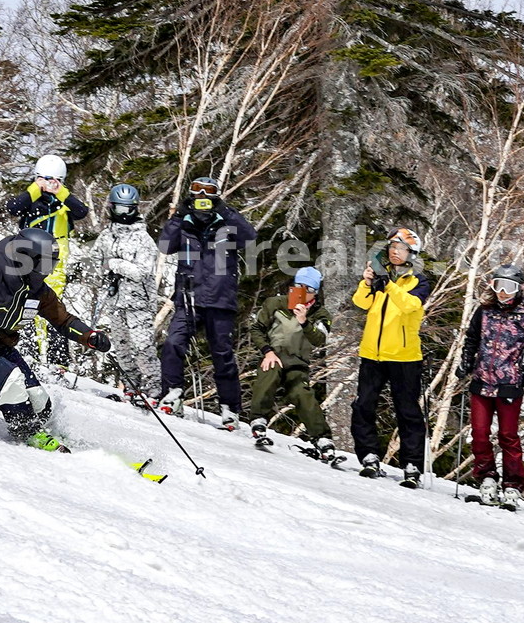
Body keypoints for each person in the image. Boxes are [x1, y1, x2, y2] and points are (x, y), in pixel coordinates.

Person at [0, 228, 112, 452]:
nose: (47, 271)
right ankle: (26, 434)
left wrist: (90, 337)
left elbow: (64, 321)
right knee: (12, 384)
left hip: (0, 348)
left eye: (51, 264)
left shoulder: (38, 291)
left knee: (39, 400)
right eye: (43, 265)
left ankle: (43, 429)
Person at [157, 177, 257, 428]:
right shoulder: (185, 222)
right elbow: (165, 246)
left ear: (217, 196)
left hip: (220, 298)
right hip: (188, 296)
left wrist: (225, 210)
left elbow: (249, 238)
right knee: (172, 343)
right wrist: (178, 215)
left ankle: (230, 407)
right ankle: (173, 392)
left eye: (209, 192)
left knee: (222, 353)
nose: (203, 196)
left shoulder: (226, 222)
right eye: (197, 192)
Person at [456, 264, 524, 507]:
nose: (502, 292)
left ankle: (513, 484)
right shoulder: (484, 312)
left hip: (509, 385)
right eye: (498, 285)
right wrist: (466, 364)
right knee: (479, 433)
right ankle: (486, 477)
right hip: (481, 382)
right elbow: (471, 338)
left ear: (519, 289)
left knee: (508, 435)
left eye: (509, 287)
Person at [351, 228, 434, 486]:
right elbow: (361, 303)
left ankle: (412, 465)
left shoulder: (419, 280)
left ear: (412, 254)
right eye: (391, 248)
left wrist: (388, 284)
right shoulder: (380, 277)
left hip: (404, 357)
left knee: (407, 412)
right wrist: (367, 282)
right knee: (363, 406)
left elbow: (411, 305)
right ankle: (369, 456)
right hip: (372, 354)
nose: (394, 252)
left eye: (401, 249)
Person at [80, 183, 161, 400]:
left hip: (139, 303)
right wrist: (99, 270)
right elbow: (95, 261)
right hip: (115, 300)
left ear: (135, 209)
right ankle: (131, 387)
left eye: (128, 209)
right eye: (119, 209)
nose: (123, 214)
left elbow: (141, 272)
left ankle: (152, 390)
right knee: (122, 348)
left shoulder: (143, 239)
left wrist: (115, 264)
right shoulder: (107, 235)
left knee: (143, 347)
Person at [4, 154, 88, 364]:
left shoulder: (64, 203)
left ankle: (58, 360)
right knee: (23, 306)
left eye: (54, 180)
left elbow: (81, 211)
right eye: (45, 179)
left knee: (52, 308)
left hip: (55, 264)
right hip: (26, 260)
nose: (49, 185)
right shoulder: (29, 201)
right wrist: (34, 189)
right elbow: (12, 208)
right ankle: (27, 353)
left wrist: (61, 193)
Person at [247, 266, 334, 457]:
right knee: (269, 374)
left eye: (308, 289)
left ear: (315, 293)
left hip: (298, 362)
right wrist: (267, 351)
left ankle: (322, 437)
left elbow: (320, 338)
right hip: (274, 354)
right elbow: (257, 329)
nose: (303, 292)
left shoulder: (321, 314)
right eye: (299, 286)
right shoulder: (276, 303)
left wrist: (304, 321)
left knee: (302, 393)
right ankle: (258, 420)